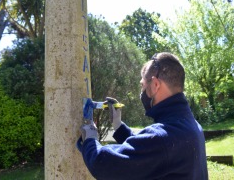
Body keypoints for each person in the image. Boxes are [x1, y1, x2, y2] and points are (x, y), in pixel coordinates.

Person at [78, 52, 208, 180]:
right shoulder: (192, 126)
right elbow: (148, 153)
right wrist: (118, 127)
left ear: (156, 84)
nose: (142, 92)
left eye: (143, 85)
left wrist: (90, 140)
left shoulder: (163, 138)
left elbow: (103, 165)